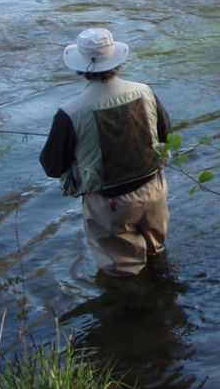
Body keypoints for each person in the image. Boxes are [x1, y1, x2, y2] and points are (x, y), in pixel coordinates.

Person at [39, 27, 171, 277]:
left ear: (81, 68)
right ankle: (164, 298)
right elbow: (167, 135)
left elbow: (52, 167)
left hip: (110, 203)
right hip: (154, 189)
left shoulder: (69, 113)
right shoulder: (144, 91)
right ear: (117, 63)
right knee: (158, 255)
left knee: (123, 273)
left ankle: (134, 311)